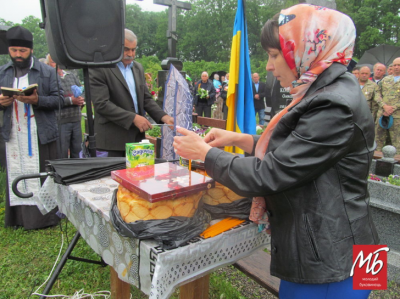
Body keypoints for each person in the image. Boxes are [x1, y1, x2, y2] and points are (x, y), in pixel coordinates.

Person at [173, 5, 378, 299]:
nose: (269, 66)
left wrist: (205, 154)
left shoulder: (334, 104)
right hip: (338, 244)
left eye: (274, 54)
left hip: (333, 257)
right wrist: (243, 139)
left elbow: (272, 173)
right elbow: (301, 152)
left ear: (307, 47)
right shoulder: (327, 88)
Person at [0, 26, 63, 229]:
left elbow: (60, 100)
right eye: (14, 50)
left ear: (31, 50)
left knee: (41, 175)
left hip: (39, 132)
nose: (18, 55)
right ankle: (18, 219)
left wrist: (37, 100)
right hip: (13, 133)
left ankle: (44, 218)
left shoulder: (46, 71)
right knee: (17, 172)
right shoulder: (3, 72)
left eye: (23, 51)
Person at [89, 29, 173, 157]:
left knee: (137, 176)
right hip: (112, 142)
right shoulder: (100, 68)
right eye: (126, 49)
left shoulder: (138, 67)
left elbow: (146, 99)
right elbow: (102, 104)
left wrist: (163, 117)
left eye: (134, 50)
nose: (131, 54)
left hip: (136, 139)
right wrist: (133, 118)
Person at [47, 54, 85, 158]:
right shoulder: (50, 78)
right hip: (60, 121)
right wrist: (70, 101)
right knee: (62, 153)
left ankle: (78, 173)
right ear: (48, 64)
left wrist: (81, 99)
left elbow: (81, 90)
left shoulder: (71, 75)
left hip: (76, 119)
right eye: (53, 62)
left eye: (58, 61)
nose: (57, 64)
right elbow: (51, 100)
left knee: (78, 152)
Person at [374, 57, 400, 151]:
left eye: (399, 65)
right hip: (382, 115)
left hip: (397, 117)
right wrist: (384, 106)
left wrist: (392, 108)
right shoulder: (385, 80)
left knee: (396, 143)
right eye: (394, 65)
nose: (396, 67)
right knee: (378, 141)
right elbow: (377, 94)